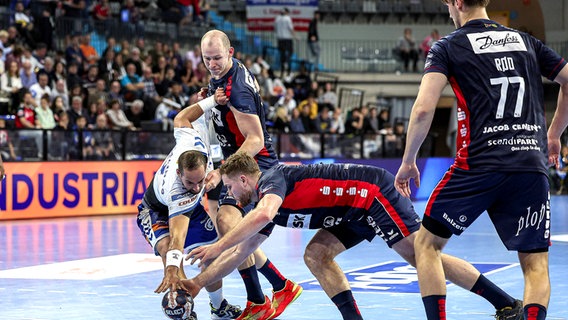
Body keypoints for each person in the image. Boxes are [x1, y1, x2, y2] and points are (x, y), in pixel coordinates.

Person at [182, 152, 522, 320]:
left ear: (243, 179)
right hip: (350, 211)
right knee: (316, 255)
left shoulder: (273, 182)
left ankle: (506, 304)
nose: (230, 195)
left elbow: (263, 216)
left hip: (372, 193)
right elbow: (242, 252)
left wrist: (215, 244)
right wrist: (199, 282)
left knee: (422, 256)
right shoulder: (263, 199)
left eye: (229, 187)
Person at [393, 1, 568, 319]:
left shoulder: (448, 46)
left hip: (478, 164)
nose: (448, 10)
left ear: (458, 3)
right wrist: (554, 134)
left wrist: (408, 160)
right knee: (535, 264)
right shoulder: (526, 42)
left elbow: (422, 109)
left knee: (427, 245)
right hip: (529, 163)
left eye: (447, 3)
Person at [165, 29, 302, 320]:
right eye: (206, 59)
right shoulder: (224, 77)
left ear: (231, 53)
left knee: (229, 223)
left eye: (217, 58)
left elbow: (256, 139)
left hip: (255, 166)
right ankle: (277, 287)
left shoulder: (237, 89)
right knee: (230, 228)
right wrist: (209, 100)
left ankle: (260, 298)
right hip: (236, 163)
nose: (212, 64)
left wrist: (220, 170)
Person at [137, 97, 242, 320]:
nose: (196, 188)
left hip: (190, 210)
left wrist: (213, 99)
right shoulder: (179, 192)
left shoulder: (190, 139)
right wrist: (171, 269)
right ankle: (185, 311)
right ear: (179, 173)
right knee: (169, 252)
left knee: (210, 255)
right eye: (189, 183)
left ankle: (218, 306)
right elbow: (178, 240)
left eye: (199, 182)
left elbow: (181, 117)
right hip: (155, 209)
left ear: (206, 165)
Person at [274, 7, 296, 78]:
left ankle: (282, 70)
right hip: (287, 39)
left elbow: (275, 28)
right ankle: (287, 68)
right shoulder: (287, 18)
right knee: (290, 53)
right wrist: (295, 36)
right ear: (286, 12)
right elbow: (291, 29)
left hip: (280, 39)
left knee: (282, 55)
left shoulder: (277, 19)